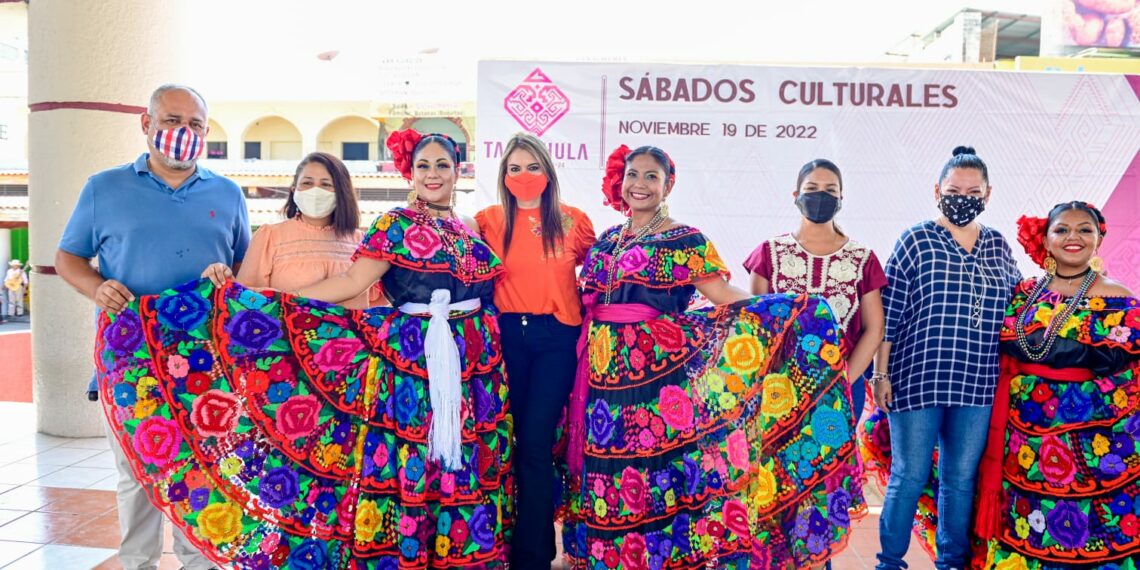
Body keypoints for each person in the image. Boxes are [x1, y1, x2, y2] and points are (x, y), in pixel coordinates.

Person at [93, 129, 512, 568]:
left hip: (475, 364)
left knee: (462, 460)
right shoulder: (396, 223)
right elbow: (353, 283)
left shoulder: (470, 227)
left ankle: (458, 553)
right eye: (423, 165)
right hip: (412, 362)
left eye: (442, 165)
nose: (433, 174)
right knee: (413, 462)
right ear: (410, 172)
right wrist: (283, 304)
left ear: (458, 170)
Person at [559, 144, 863, 569]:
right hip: (600, 377)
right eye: (633, 175)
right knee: (607, 461)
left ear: (668, 184)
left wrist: (788, 311)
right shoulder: (609, 238)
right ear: (620, 181)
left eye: (651, 176)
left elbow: (721, 296)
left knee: (650, 467)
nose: (640, 184)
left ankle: (653, 558)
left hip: (656, 380)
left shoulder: (686, 239)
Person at [56, 83, 248, 570]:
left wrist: (228, 280)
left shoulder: (227, 194)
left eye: (195, 125)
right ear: (147, 124)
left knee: (205, 472)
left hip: (207, 365)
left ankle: (198, 561)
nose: (183, 132)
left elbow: (246, 273)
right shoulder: (104, 188)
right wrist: (97, 287)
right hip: (129, 362)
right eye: (171, 121)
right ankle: (137, 562)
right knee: (137, 475)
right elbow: (67, 258)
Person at [865, 146, 1021, 570]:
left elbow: (1018, 309)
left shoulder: (998, 246)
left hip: (977, 384)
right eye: (954, 189)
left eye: (973, 191)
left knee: (959, 481)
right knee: (909, 476)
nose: (963, 197)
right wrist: (880, 376)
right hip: (917, 380)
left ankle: (952, 563)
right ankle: (889, 562)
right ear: (937, 190)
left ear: (988, 196)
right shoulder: (916, 240)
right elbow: (888, 315)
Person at [973, 202, 1140, 569]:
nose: (1073, 237)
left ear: (1098, 239)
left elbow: (1122, 364)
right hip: (1024, 430)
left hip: (1089, 433)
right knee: (1029, 513)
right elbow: (999, 340)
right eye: (1062, 229)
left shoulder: (1117, 295)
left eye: (1085, 229)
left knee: (1090, 515)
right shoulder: (1025, 292)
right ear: (1046, 240)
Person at [474, 132, 595, 568]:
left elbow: (603, 275)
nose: (523, 176)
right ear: (503, 175)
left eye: (532, 166)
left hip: (556, 341)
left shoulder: (573, 221)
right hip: (506, 339)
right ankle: (495, 546)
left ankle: (535, 556)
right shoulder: (485, 221)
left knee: (537, 444)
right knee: (506, 443)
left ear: (548, 171)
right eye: (514, 168)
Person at [744, 158, 886, 424]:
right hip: (779, 386)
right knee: (775, 465)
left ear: (841, 198)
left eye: (830, 190)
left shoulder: (862, 259)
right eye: (812, 188)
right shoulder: (768, 253)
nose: (821, 196)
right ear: (796, 196)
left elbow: (875, 328)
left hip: (842, 386)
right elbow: (755, 325)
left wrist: (841, 380)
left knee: (835, 464)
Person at [235, 151, 381, 309]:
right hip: (284, 333)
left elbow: (375, 302)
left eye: (326, 184)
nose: (315, 191)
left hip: (350, 334)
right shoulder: (269, 237)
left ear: (341, 192)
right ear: (293, 189)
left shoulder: (363, 243)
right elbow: (245, 298)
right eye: (307, 183)